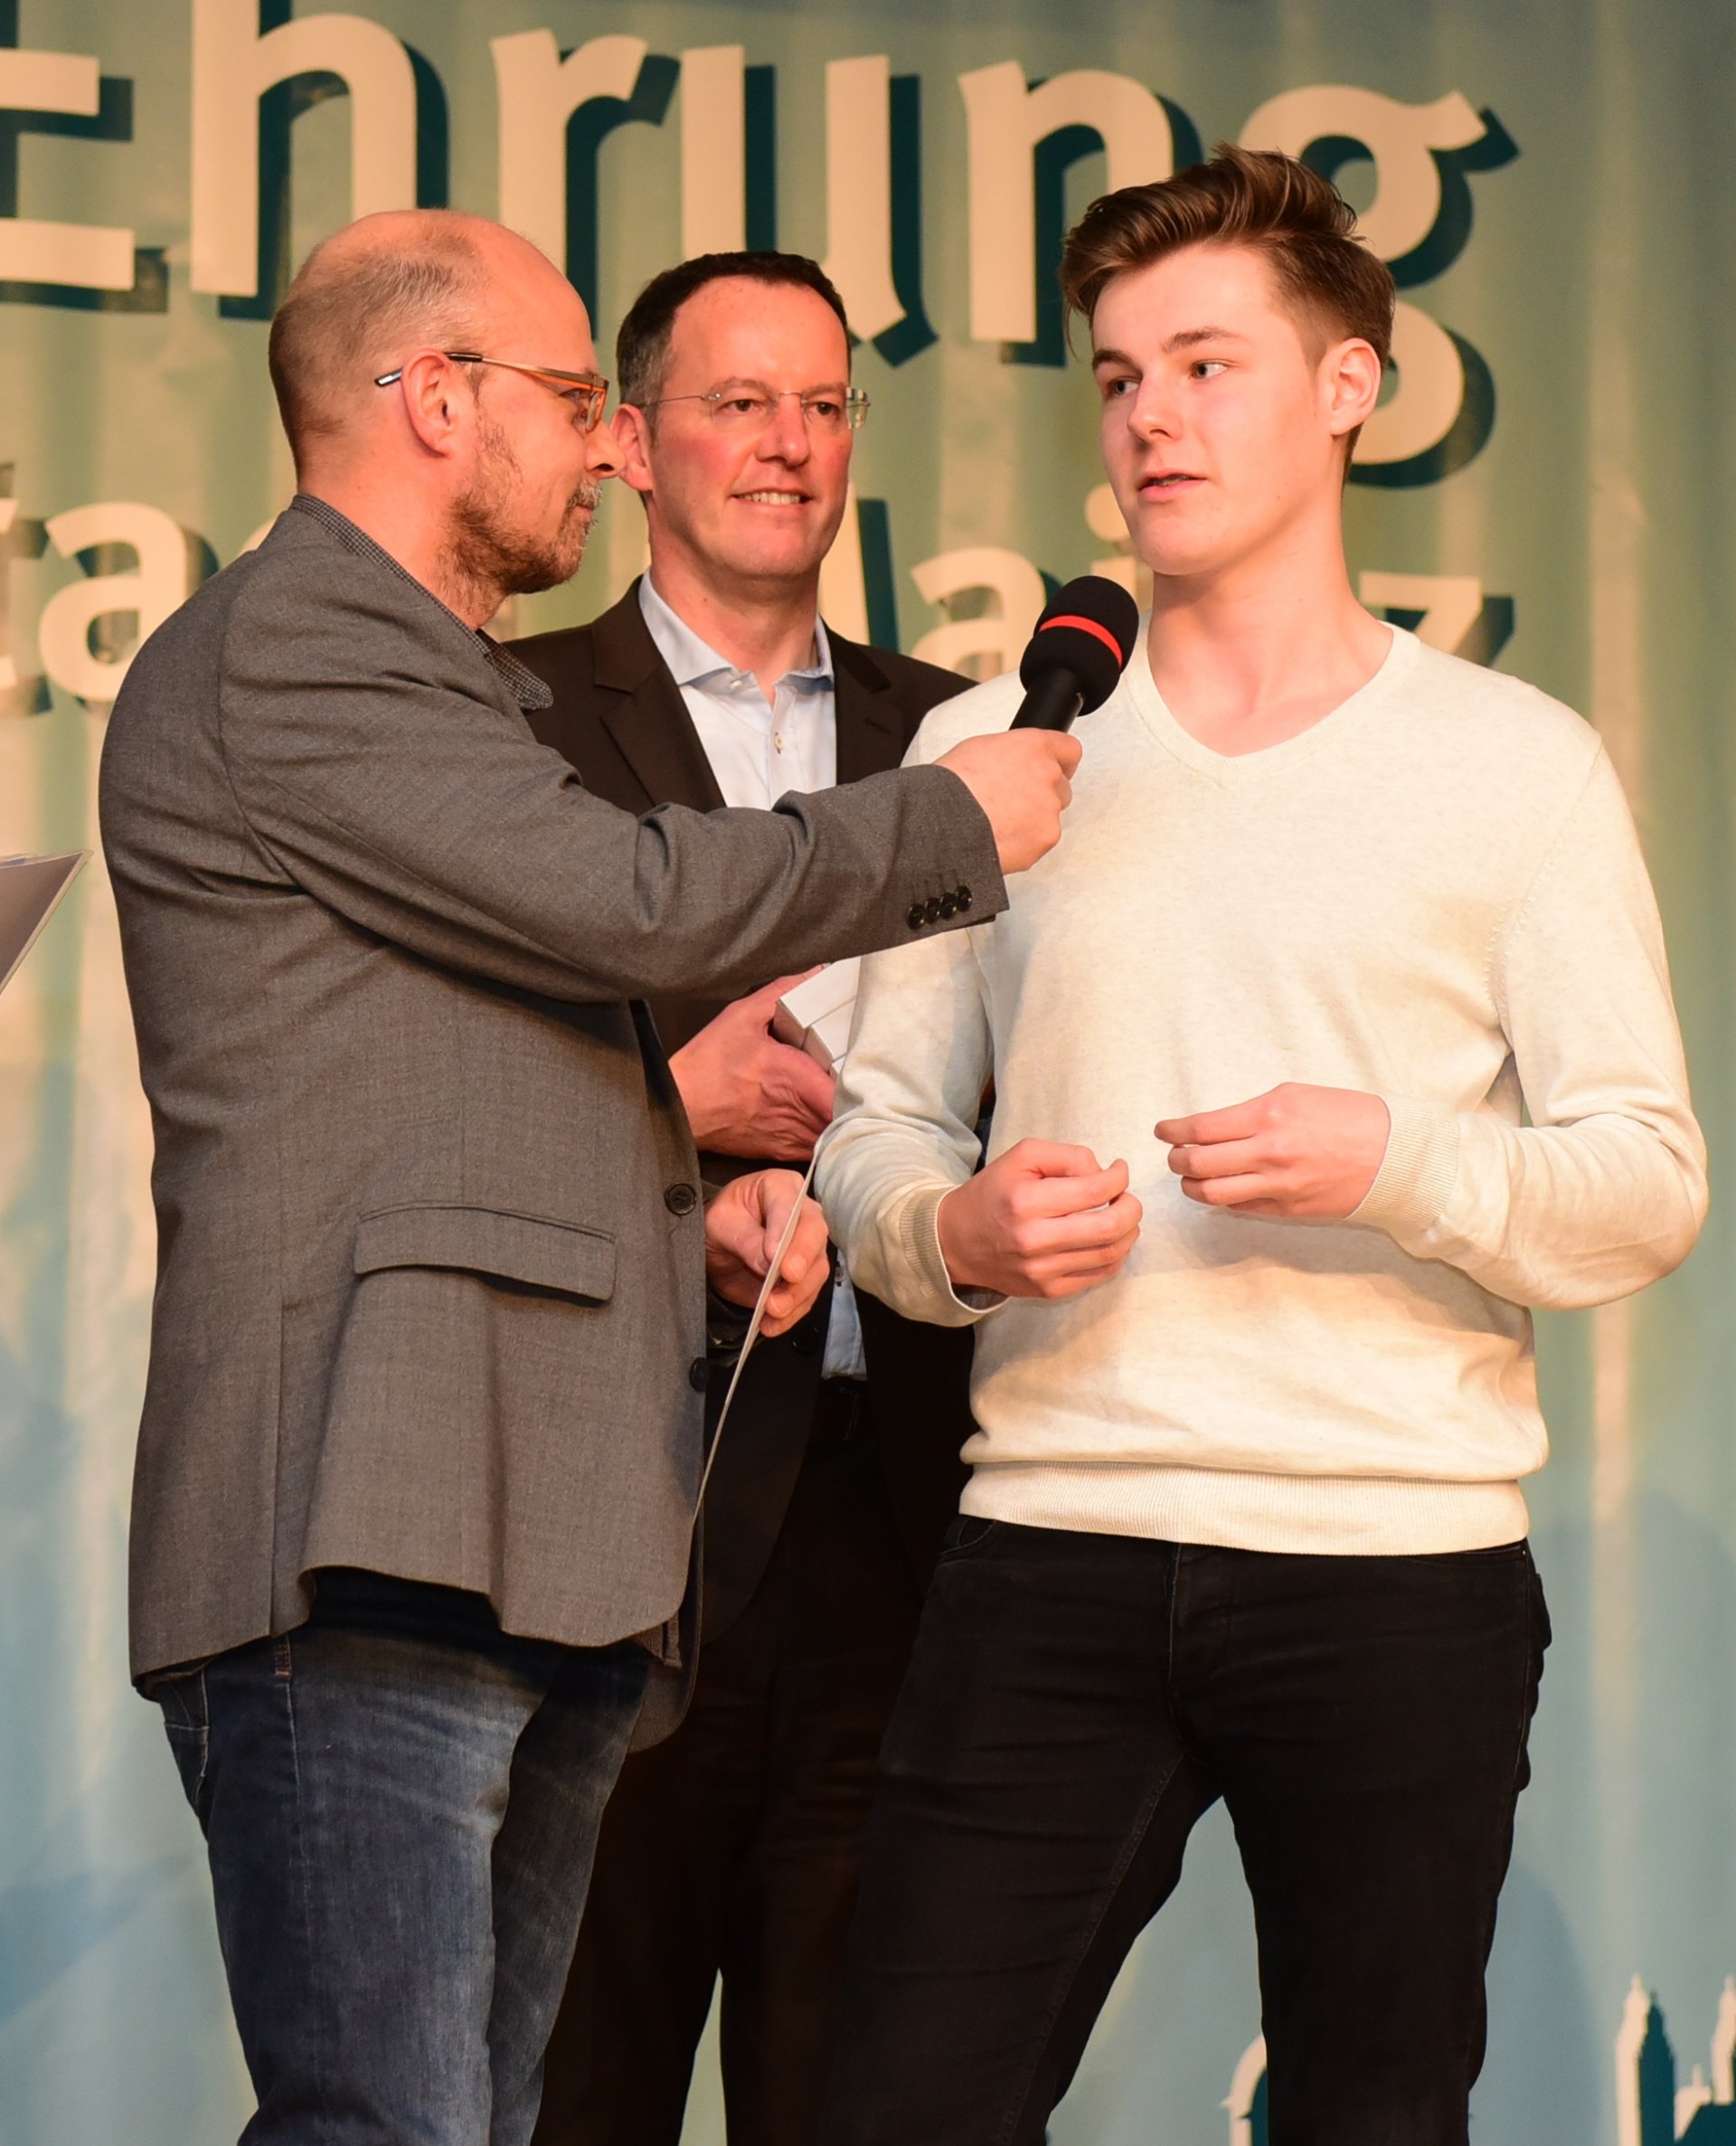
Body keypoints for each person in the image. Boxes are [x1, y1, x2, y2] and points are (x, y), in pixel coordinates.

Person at [98, 208, 1080, 2146]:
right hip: (365, 1520)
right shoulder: (304, 641)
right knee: (386, 2120)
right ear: (432, 398)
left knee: (467, 2117)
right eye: (572, 400)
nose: (604, 446)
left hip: (528, 1533)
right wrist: (955, 813)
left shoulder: (442, 676)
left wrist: (682, 1136)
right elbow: (627, 900)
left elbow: (471, 1046)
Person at [815, 147, 1707, 2146]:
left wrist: (1395, 1159)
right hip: (1048, 1540)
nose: (1150, 418)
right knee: (896, 2106)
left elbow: (1646, 1176)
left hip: (1393, 1569)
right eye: (1118, 377)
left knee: (1376, 2118)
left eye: (1208, 363)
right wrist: (951, 1227)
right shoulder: (995, 747)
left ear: (1348, 387)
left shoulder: (1517, 767)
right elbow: (871, 1136)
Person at [512, 251, 976, 2146]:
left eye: (823, 404)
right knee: (578, 2088)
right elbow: (454, 1070)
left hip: (911, 1513)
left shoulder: (967, 738)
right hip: (617, 1515)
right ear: (628, 440)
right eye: (736, 401)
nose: (787, 445)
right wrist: (660, 1168)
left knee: (864, 2098)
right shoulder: (507, 715)